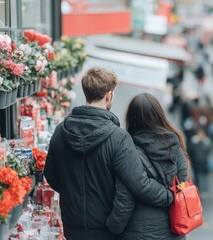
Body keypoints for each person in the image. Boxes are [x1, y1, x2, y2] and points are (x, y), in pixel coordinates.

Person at [44, 68, 172, 240]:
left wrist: (71, 191)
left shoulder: (61, 131)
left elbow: (50, 174)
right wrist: (168, 196)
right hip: (106, 227)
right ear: (109, 95)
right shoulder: (118, 137)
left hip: (71, 225)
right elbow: (138, 183)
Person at [119, 93, 189, 239]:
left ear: (132, 117)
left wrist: (113, 227)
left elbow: (125, 199)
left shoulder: (128, 149)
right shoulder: (173, 142)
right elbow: (182, 182)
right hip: (173, 229)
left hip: (138, 231)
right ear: (159, 115)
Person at [188, 129, 212, 197]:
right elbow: (190, 151)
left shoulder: (206, 143)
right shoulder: (194, 142)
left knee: (204, 177)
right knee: (197, 177)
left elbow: (208, 153)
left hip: (204, 163)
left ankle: (204, 190)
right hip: (196, 163)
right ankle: (198, 189)